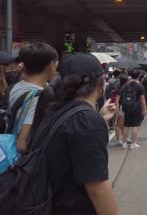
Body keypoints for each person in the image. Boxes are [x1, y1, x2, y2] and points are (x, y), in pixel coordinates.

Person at [29, 53, 118, 214]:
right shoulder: (86, 120)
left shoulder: (56, 110)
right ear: (102, 83)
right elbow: (97, 189)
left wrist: (99, 118)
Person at [9, 43, 58, 152]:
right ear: (51, 65)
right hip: (25, 162)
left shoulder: (17, 86)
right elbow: (23, 143)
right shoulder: (37, 97)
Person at [116, 69, 146, 150]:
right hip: (136, 107)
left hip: (126, 107)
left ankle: (124, 143)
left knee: (126, 125)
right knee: (135, 126)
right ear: (139, 76)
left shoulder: (126, 85)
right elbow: (142, 99)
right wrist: (144, 109)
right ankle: (133, 144)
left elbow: (120, 96)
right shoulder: (140, 86)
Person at [110, 75, 129, 146]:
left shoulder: (120, 87)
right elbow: (117, 101)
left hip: (121, 107)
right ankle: (119, 140)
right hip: (120, 107)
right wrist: (118, 111)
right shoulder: (121, 89)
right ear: (126, 81)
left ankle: (124, 138)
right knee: (120, 124)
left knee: (121, 124)